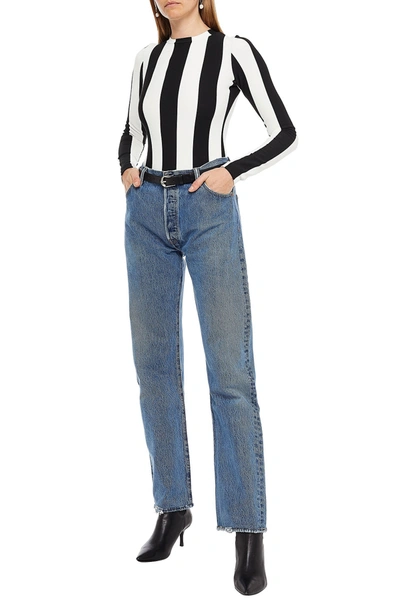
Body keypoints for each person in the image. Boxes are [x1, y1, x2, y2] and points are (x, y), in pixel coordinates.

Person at [118, 0, 297, 595]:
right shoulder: (145, 58)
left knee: (230, 373)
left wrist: (232, 171)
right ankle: (172, 508)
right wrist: (126, 168)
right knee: (154, 368)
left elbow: (284, 131)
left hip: (207, 205)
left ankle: (248, 530)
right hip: (145, 211)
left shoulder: (232, 50)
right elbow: (131, 131)